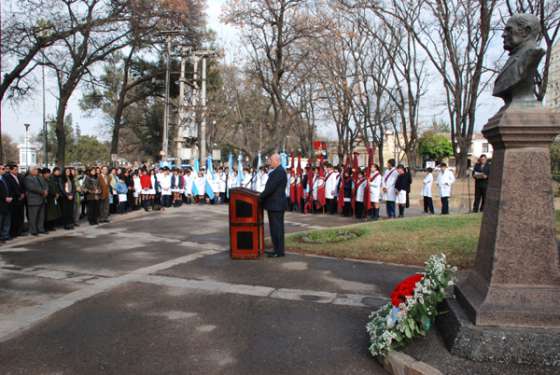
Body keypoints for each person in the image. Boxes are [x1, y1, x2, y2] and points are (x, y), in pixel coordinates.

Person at [260, 153, 288, 258]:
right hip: (274, 204)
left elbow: (270, 189)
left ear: (276, 160)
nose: (270, 162)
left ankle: (279, 251)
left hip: (276, 205)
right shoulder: (277, 171)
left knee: (277, 229)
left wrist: (260, 197)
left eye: (271, 160)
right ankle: (277, 250)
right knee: (275, 228)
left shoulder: (279, 172)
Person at [23, 166, 48, 236]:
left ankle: (40, 229)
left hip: (42, 199)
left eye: (36, 169)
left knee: (41, 216)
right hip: (33, 200)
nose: (37, 171)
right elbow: (32, 188)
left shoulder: (39, 177)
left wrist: (46, 190)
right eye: (35, 169)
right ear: (31, 171)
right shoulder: (28, 178)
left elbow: (45, 184)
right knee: (33, 216)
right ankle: (33, 230)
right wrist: (43, 192)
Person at [4, 163, 25, 238]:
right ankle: (13, 232)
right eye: (15, 169)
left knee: (20, 216)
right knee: (14, 217)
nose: (17, 171)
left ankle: (19, 231)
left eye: (17, 169)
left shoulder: (19, 176)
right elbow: (11, 188)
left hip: (21, 199)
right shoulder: (8, 177)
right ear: (11, 170)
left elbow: (21, 186)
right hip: (14, 200)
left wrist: (22, 194)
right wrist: (18, 195)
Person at [0, 163, 14, 242]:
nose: (4, 170)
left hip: (7, 203)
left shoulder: (5, 178)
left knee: (7, 221)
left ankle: (5, 235)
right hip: (1, 203)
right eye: (2, 169)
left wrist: (10, 197)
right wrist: (4, 198)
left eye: (4, 168)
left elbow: (9, 188)